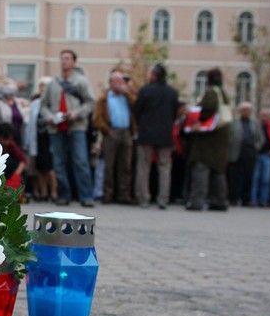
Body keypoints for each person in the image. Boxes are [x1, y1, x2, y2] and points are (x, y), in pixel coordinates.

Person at [40, 50, 96, 207]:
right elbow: (43, 106)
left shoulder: (81, 81)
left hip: (76, 126)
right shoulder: (52, 83)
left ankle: (86, 196)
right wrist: (49, 117)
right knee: (59, 163)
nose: (64, 61)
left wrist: (77, 113)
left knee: (81, 161)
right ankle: (63, 195)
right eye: (62, 59)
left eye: (67, 59)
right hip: (56, 128)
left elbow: (90, 102)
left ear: (74, 62)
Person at [132, 63, 179, 209]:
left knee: (143, 167)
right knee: (164, 167)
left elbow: (136, 110)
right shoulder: (172, 92)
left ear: (153, 75)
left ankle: (143, 198)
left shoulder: (146, 90)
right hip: (165, 134)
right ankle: (163, 198)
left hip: (146, 132)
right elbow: (175, 113)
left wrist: (142, 123)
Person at [186, 68, 231, 211]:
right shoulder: (223, 93)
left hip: (208, 138)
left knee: (201, 168)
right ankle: (220, 201)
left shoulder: (211, 92)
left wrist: (198, 118)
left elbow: (208, 108)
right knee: (218, 170)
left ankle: (197, 201)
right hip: (220, 138)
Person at [93, 70, 136, 204]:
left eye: (122, 81)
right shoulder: (104, 99)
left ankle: (124, 194)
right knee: (109, 165)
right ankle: (108, 194)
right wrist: (106, 129)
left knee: (125, 165)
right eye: (117, 81)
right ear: (111, 83)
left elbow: (138, 106)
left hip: (126, 132)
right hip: (111, 132)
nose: (120, 84)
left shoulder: (127, 97)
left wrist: (128, 92)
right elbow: (97, 118)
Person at [24, 76, 57, 202]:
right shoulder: (35, 103)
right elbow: (31, 125)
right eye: (41, 87)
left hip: (49, 137)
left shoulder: (53, 103)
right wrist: (28, 141)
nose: (43, 90)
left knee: (50, 168)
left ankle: (53, 192)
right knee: (40, 168)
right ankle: (43, 193)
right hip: (37, 138)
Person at [227, 102, 264, 207]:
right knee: (233, 176)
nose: (246, 112)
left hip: (250, 151)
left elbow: (261, 138)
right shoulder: (234, 122)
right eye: (244, 110)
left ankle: (246, 199)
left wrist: (256, 147)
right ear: (240, 111)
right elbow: (229, 136)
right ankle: (232, 198)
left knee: (249, 176)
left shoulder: (255, 123)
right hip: (236, 151)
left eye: (248, 110)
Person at [250, 109, 270, 207]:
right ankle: (253, 200)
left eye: (266, 115)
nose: (264, 117)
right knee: (255, 179)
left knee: (266, 179)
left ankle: (264, 200)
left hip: (267, 155)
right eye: (263, 115)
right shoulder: (255, 126)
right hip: (257, 154)